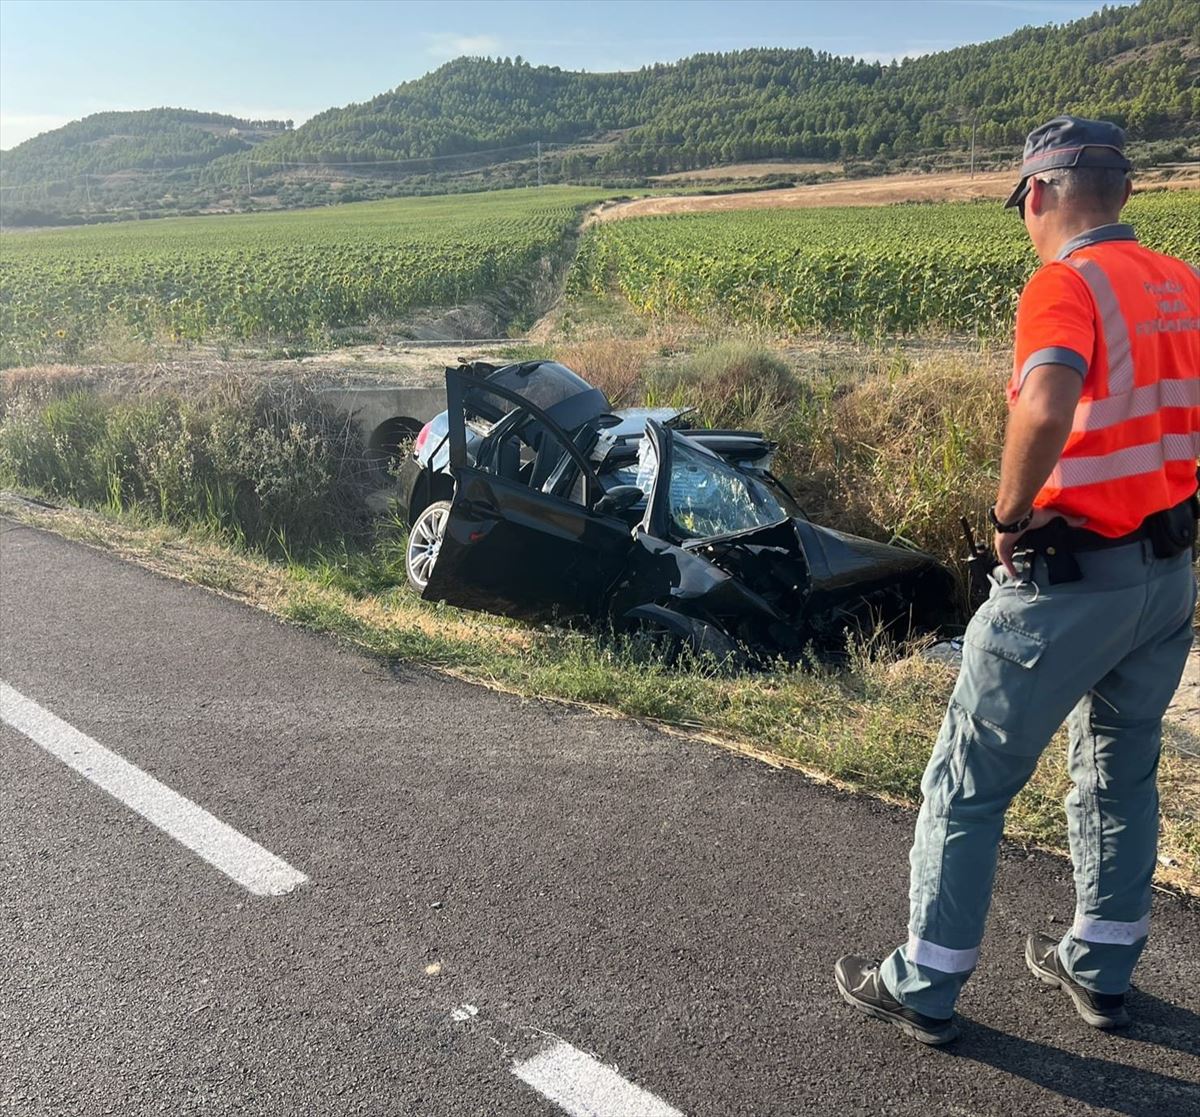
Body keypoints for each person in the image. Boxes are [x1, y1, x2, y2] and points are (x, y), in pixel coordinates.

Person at [834, 115, 1200, 1046]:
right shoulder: (1181, 284)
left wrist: (1007, 514)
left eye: (1024, 205)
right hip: (1166, 578)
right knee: (1122, 770)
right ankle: (1100, 966)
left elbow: (1045, 399)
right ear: (1123, 191)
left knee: (969, 781)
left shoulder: (1064, 282)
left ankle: (925, 981)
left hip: (1069, 581)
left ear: (1039, 194)